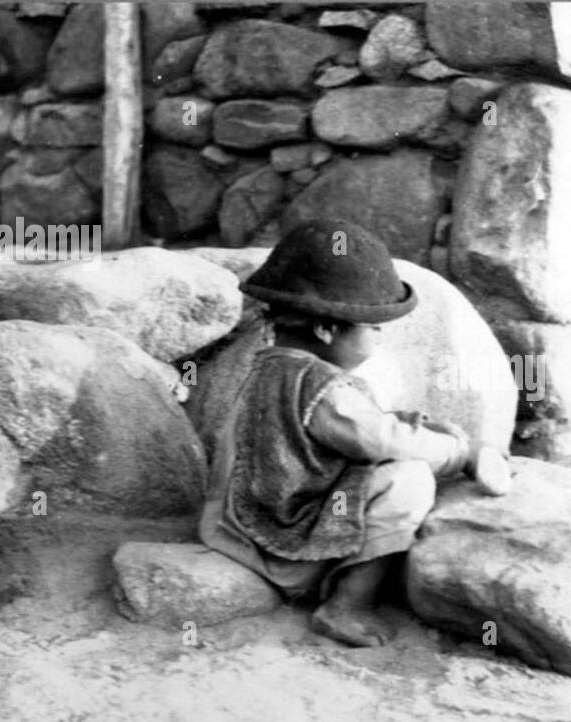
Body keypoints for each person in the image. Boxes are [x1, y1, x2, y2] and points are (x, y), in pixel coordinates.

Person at [198, 219, 510, 648]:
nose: (379, 338)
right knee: (408, 480)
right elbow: (376, 439)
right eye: (374, 328)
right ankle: (346, 604)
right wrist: (460, 451)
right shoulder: (322, 388)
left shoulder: (270, 368)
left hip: (231, 524)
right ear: (326, 329)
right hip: (280, 544)